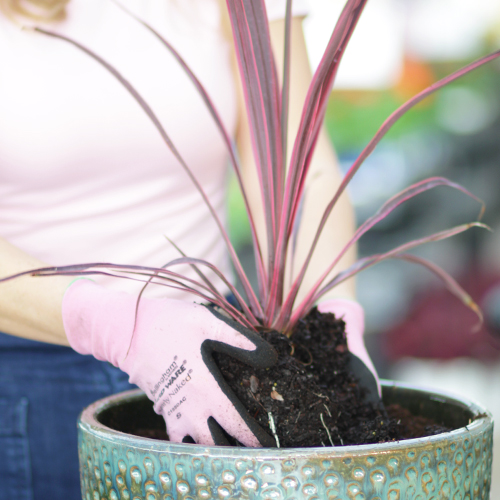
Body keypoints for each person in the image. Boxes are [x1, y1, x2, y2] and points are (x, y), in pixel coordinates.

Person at [0, 0, 364, 498]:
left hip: (215, 353)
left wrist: (327, 316)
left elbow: (300, 162)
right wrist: (118, 327)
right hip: (32, 371)